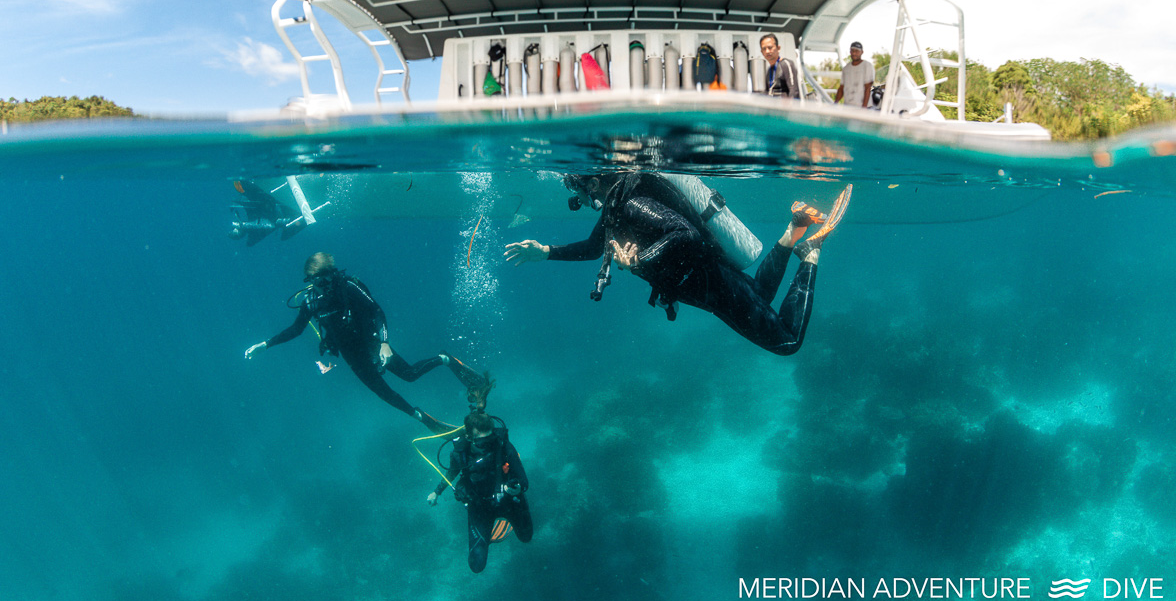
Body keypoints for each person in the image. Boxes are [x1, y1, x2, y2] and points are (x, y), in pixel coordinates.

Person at [504, 173, 851, 355]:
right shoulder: (617, 208)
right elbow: (594, 248)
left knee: (787, 342)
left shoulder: (630, 204)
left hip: (710, 283)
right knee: (759, 292)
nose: (577, 200)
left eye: (577, 190)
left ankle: (809, 252)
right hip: (709, 278)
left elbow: (685, 234)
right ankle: (796, 228)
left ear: (593, 183)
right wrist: (546, 251)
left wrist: (640, 260)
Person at [244, 252, 481, 430]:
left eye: (327, 279)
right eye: (318, 281)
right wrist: (266, 344)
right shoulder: (310, 301)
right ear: (309, 280)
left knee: (409, 375)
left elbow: (376, 311)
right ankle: (424, 419)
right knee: (382, 392)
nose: (324, 286)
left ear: (333, 274)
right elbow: (296, 329)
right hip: (350, 355)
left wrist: (385, 343)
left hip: (373, 344)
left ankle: (444, 359)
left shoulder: (347, 288)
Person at [428, 412, 532, 573]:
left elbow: (523, 480)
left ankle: (502, 522)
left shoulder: (503, 445)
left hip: (509, 500)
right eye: (483, 441)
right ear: (469, 437)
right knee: (476, 565)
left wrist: (518, 488)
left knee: (526, 537)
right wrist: (437, 492)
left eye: (490, 439)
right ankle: (490, 531)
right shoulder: (461, 453)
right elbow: (452, 472)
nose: (488, 445)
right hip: (480, 505)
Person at [835, 41, 875, 108]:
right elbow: (841, 88)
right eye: (852, 51)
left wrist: (864, 108)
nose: (854, 53)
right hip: (848, 106)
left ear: (862, 52)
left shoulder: (867, 66)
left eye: (856, 51)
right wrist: (835, 103)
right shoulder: (846, 68)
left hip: (862, 106)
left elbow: (868, 88)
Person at [760, 33, 801, 99]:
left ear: (778, 48)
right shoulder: (769, 70)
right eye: (764, 49)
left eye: (770, 48)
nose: (767, 51)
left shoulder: (786, 64)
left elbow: (794, 91)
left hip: (785, 108)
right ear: (761, 52)